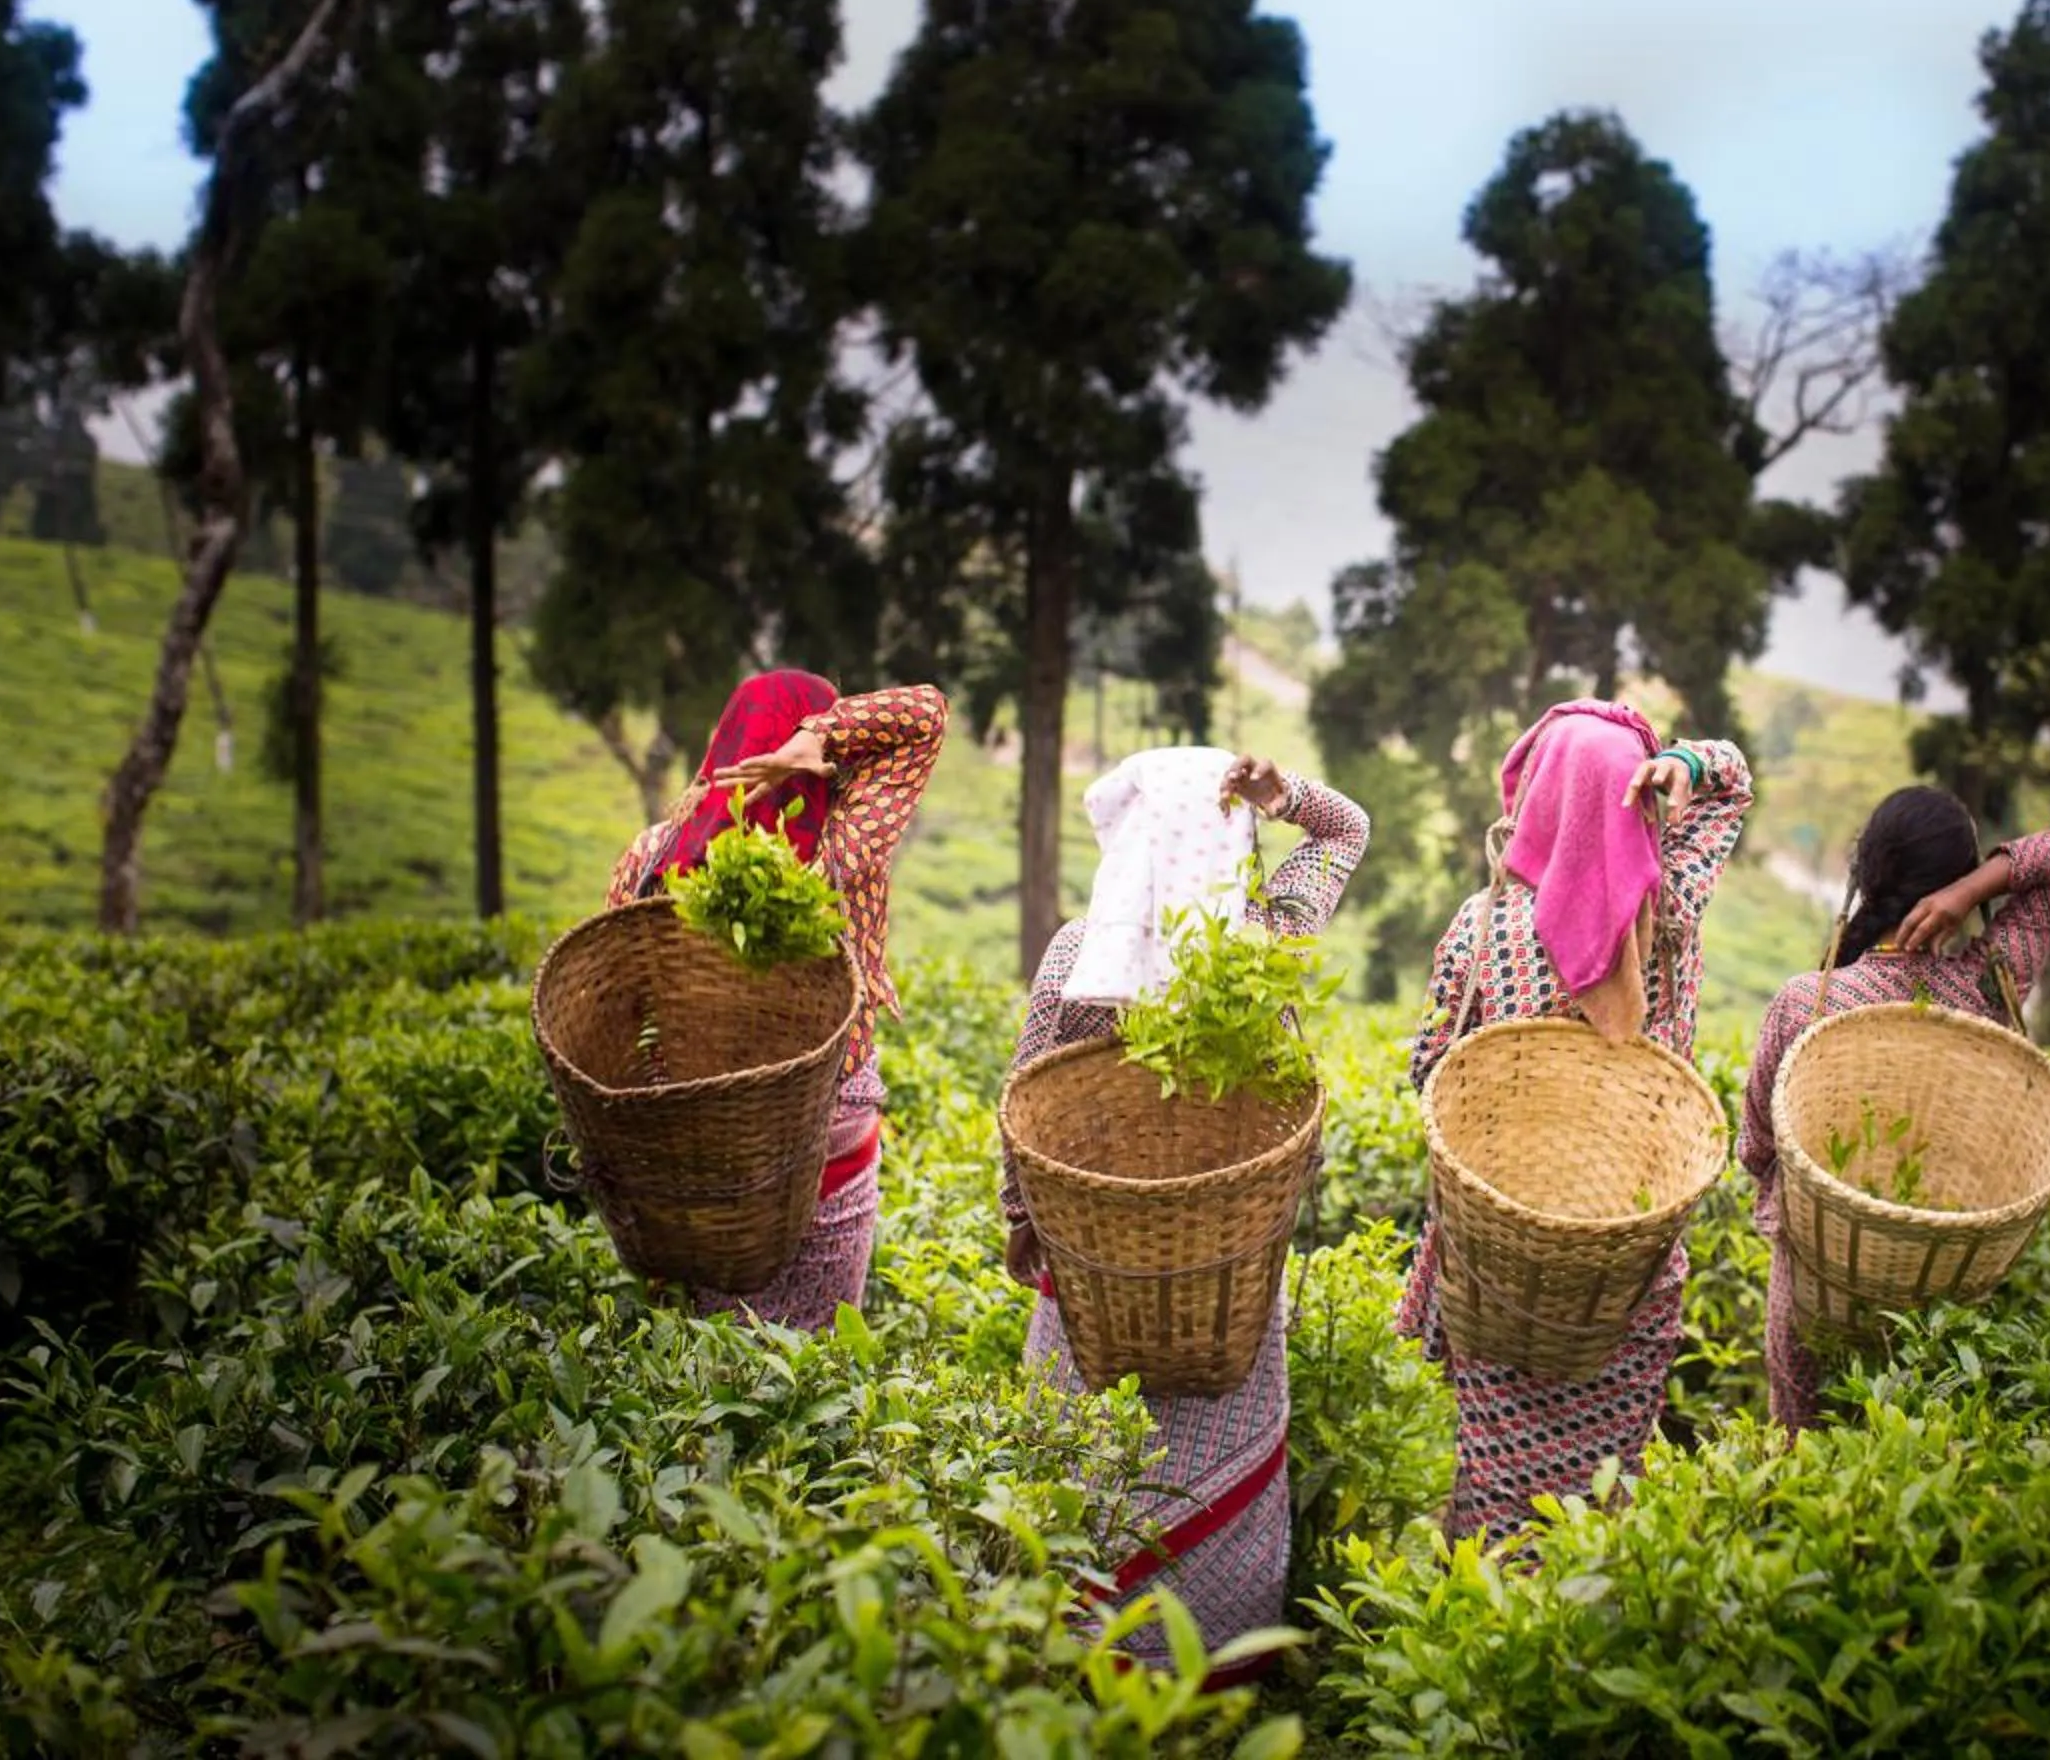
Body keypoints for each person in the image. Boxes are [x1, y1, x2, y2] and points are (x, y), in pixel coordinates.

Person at [1004, 747, 1370, 1685]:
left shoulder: (1074, 961)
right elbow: (1347, 830)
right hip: (1229, 1292)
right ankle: (1202, 1696)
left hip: (1090, 1288)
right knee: (1215, 1504)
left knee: (1085, 1481)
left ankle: (1078, 1685)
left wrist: (1022, 1227)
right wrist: (1283, 795)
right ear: (1234, 839)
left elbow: (1023, 1116)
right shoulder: (1266, 943)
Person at [1392, 699, 1753, 1541]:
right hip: (1623, 1260)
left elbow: (1428, 1072)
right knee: (1598, 1492)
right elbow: (1733, 787)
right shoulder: (1670, 909)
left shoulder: (1480, 929)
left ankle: (1480, 1617)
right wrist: (1688, 767)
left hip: (1504, 1262)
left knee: (1490, 1480)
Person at [603, 669, 949, 1331]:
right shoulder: (842, 851)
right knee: (811, 1359)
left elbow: (620, 1006)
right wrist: (823, 735)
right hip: (825, 1132)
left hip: (704, 1147)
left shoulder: (651, 857)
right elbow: (926, 714)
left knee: (711, 1366)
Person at [1735, 789, 2050, 1430]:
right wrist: (1976, 890)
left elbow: (1756, 1147)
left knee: (1800, 1467)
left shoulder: (1806, 1006)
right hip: (1934, 1306)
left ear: (1866, 873)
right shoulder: (1982, 994)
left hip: (1817, 1288)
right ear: (1956, 884)